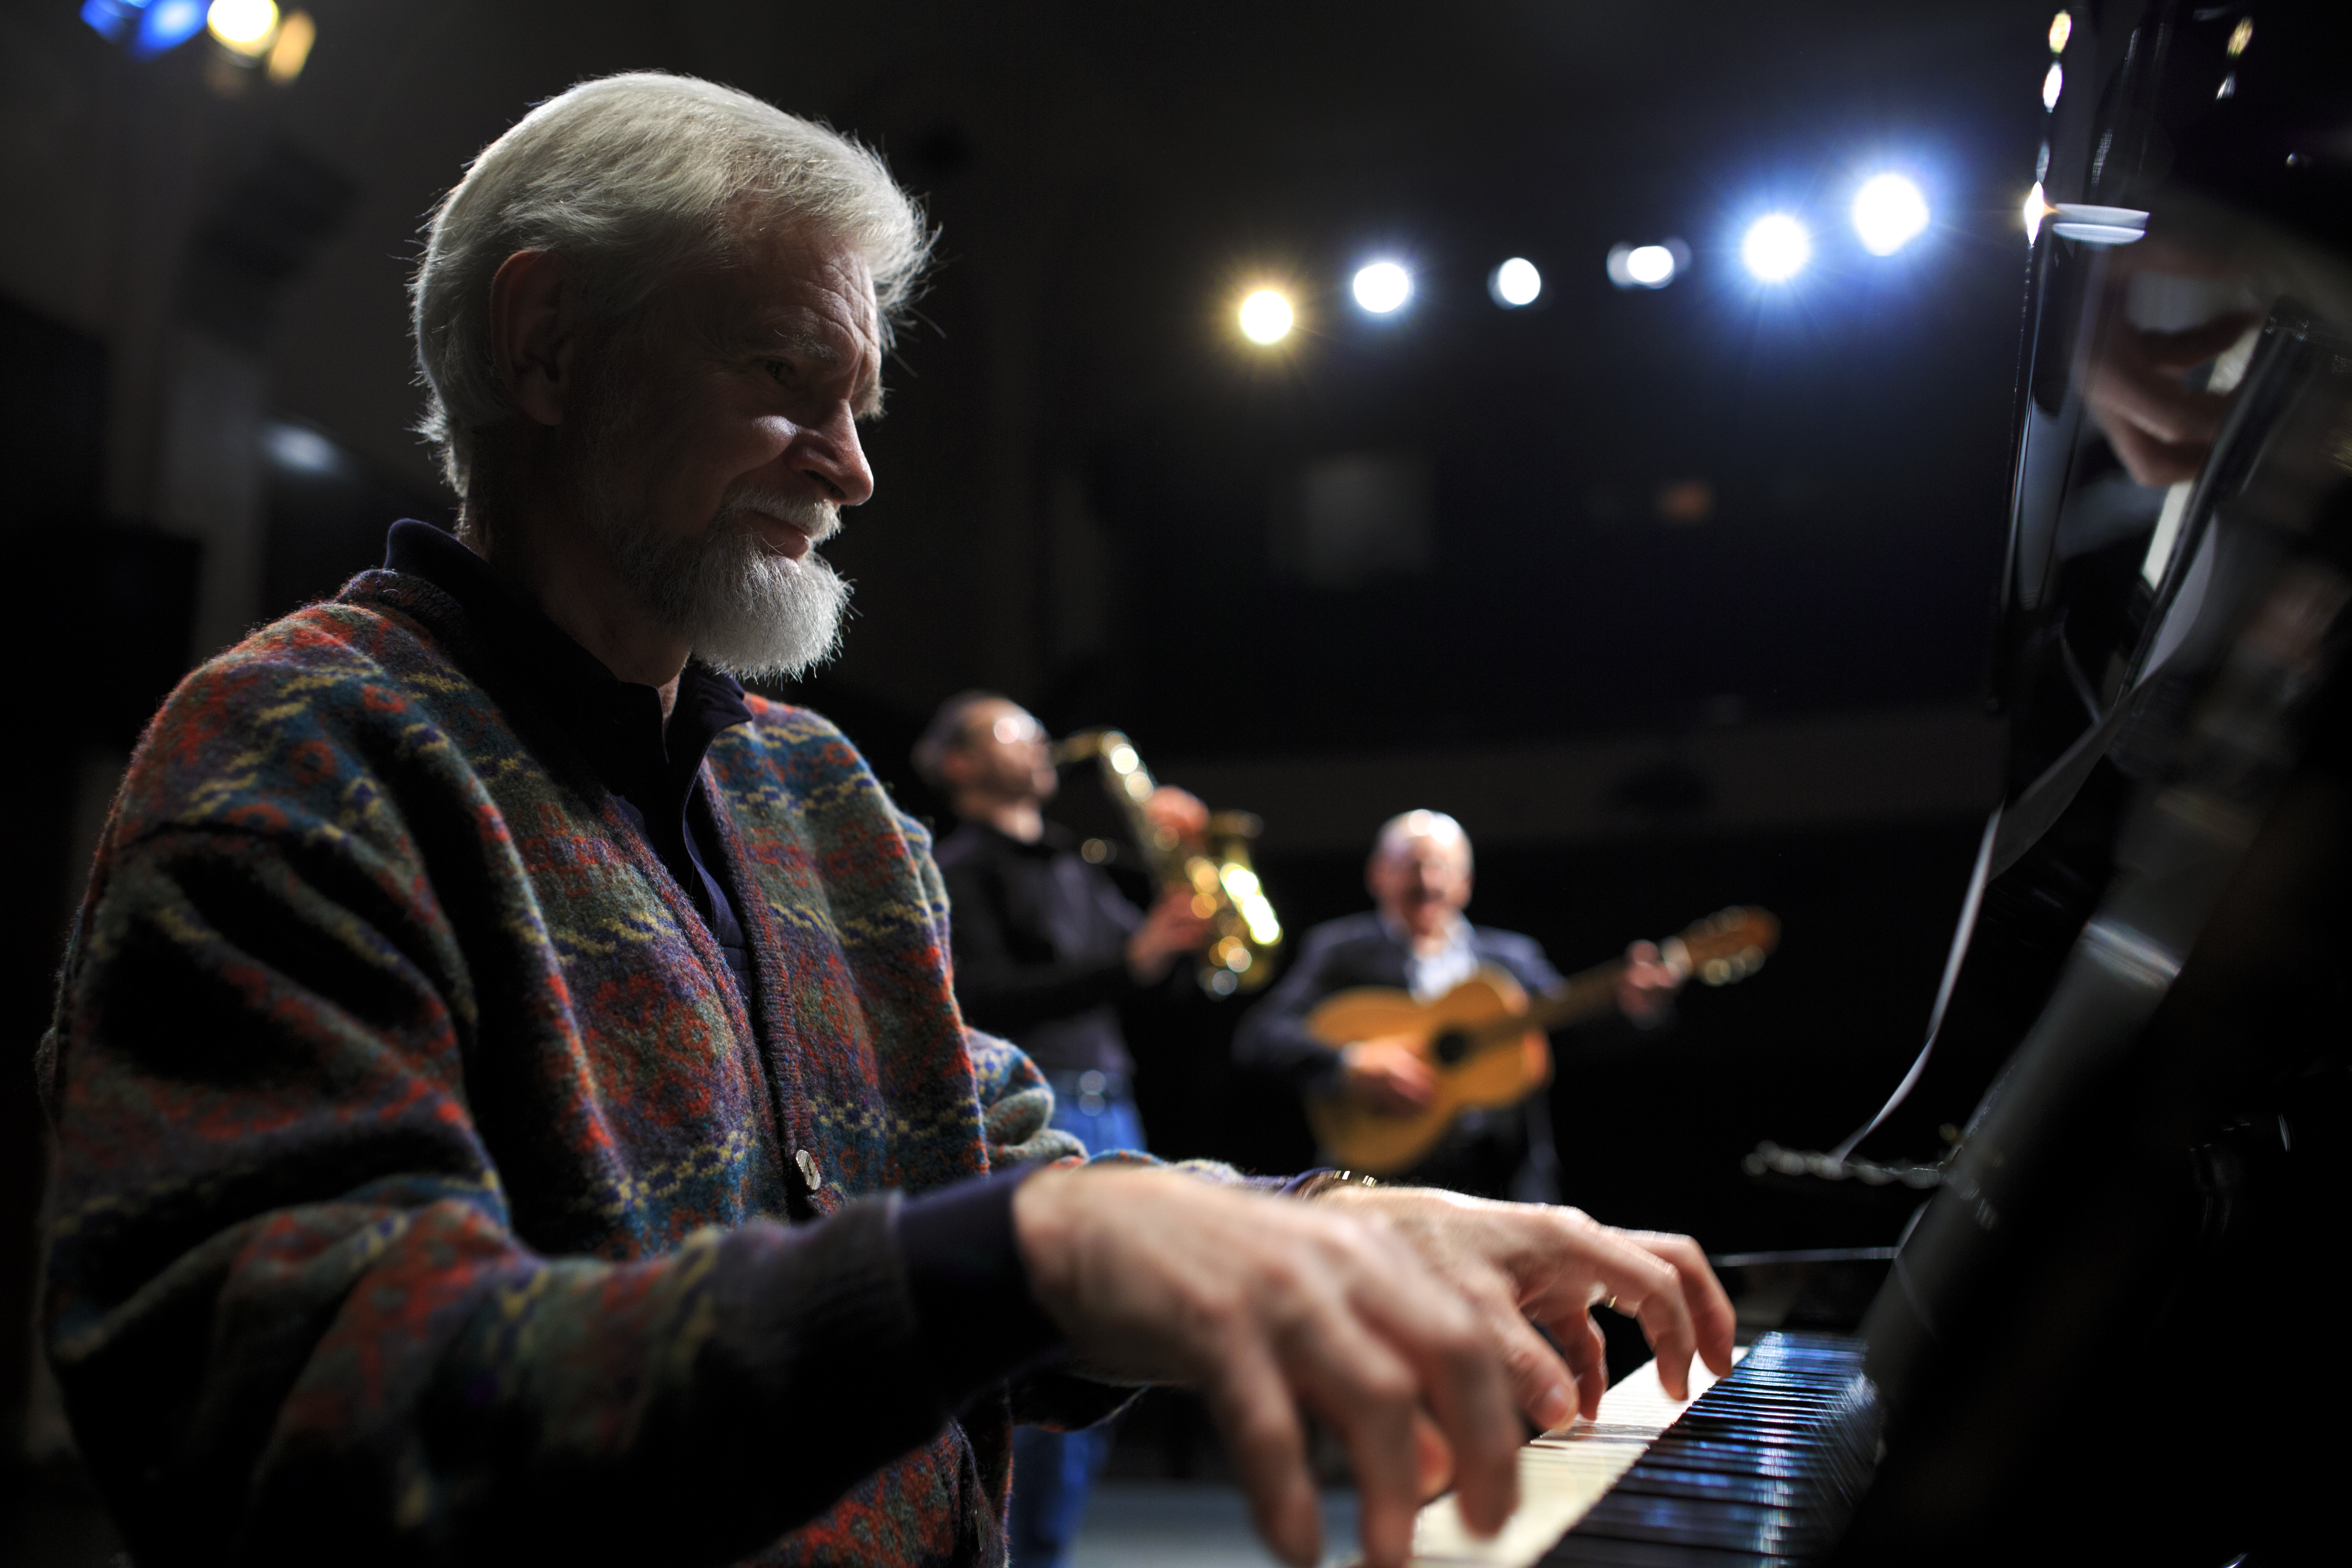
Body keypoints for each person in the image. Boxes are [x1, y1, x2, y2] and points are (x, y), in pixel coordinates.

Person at [35, 74, 1732, 1568]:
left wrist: (1332, 1219)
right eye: (786, 379)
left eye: (862, 405)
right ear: (546, 345)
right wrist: (1014, 1259)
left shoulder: (817, 789)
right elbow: (318, 1420)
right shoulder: (299, 750)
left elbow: (984, 1171)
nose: (850, 471)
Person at [914, 692, 1210, 1567]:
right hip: (1036, 1114)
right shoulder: (955, 866)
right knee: (1051, 1357)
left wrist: (1185, 873)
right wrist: (1133, 958)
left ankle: (1052, 1548)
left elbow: (1169, 979)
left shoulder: (1077, 865)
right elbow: (983, 999)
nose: (1037, 739)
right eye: (1009, 730)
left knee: (1120, 1356)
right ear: (959, 762)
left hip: (1114, 1099)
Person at [1235, 811, 1683, 1203]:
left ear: (1465, 883)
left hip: (1500, 1180)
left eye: (1442, 867)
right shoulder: (1340, 952)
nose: (1427, 881)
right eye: (1411, 865)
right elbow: (1261, 1034)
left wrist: (1634, 1006)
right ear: (1378, 875)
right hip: (1377, 1181)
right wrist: (1351, 1064)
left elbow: (1573, 1030)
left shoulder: (1512, 959)